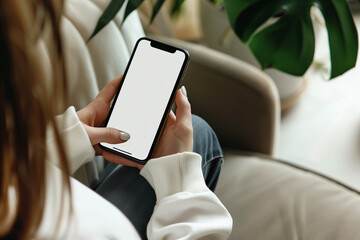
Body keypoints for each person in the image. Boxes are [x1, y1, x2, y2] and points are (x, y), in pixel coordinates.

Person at [0, 0, 232, 239]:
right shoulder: (108, 230)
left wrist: (68, 139)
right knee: (197, 131)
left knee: (188, 131)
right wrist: (179, 183)